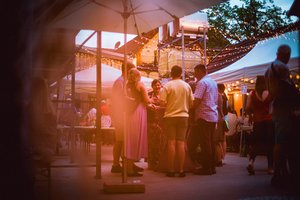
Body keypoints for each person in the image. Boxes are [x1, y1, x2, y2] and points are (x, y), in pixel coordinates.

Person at [265, 44, 300, 187]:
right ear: (287, 55)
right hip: (283, 108)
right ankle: (279, 173)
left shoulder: (269, 68)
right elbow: (288, 89)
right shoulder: (282, 68)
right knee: (282, 141)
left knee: (280, 140)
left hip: (276, 108)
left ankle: (280, 171)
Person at [160, 65, 194, 177]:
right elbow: (192, 103)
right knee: (181, 143)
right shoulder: (187, 86)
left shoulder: (167, 86)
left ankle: (170, 170)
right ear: (181, 73)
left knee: (171, 142)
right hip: (184, 116)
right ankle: (181, 170)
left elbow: (162, 103)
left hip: (170, 117)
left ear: (171, 73)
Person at [124, 68, 154, 177]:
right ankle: (130, 169)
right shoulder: (140, 85)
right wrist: (153, 100)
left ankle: (129, 166)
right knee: (135, 138)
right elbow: (147, 100)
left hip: (129, 113)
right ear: (138, 75)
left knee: (130, 139)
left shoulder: (127, 85)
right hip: (138, 112)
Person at [110, 62, 137, 173]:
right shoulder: (120, 82)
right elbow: (118, 100)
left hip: (124, 115)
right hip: (120, 115)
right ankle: (116, 165)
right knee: (120, 140)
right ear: (128, 71)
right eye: (133, 71)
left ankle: (127, 163)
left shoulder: (125, 82)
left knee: (124, 140)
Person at [245, 75, 274, 175]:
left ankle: (251, 162)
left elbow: (247, 108)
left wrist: (250, 117)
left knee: (257, 143)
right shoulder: (269, 93)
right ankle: (270, 167)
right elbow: (272, 109)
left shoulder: (252, 94)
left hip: (257, 122)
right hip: (269, 121)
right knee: (270, 144)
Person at [193, 64, 218, 175]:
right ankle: (212, 166)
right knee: (211, 142)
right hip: (213, 114)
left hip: (204, 115)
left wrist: (189, 106)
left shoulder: (202, 83)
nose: (194, 75)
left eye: (195, 72)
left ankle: (206, 167)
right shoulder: (213, 82)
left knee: (205, 142)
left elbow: (197, 100)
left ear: (200, 71)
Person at [147, 79, 166, 171]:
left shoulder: (164, 94)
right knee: (151, 142)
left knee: (160, 142)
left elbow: (166, 106)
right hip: (151, 121)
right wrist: (150, 103)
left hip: (161, 121)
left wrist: (159, 107)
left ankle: (159, 161)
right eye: (155, 85)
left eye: (158, 85)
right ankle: (151, 162)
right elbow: (145, 104)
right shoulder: (149, 94)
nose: (157, 87)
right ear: (152, 86)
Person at [214, 84, 226, 167]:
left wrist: (221, 117)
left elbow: (219, 109)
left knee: (216, 141)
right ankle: (220, 158)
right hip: (220, 119)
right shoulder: (221, 96)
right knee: (220, 140)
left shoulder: (218, 96)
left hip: (217, 119)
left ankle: (219, 159)